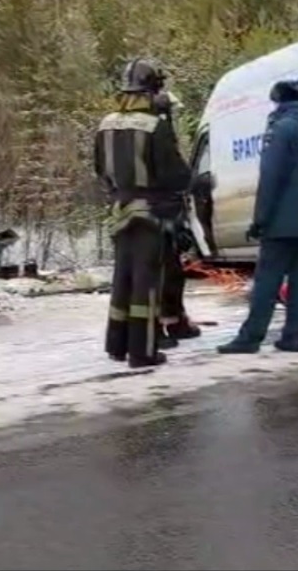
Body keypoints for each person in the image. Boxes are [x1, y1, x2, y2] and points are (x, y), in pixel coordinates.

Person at [217, 80, 298, 354]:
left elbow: (271, 179)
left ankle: (250, 338)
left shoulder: (281, 130)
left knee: (267, 283)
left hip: (280, 223)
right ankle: (293, 337)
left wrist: (260, 220)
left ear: (280, 101)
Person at [94, 58, 192, 368]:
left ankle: (117, 345)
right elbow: (173, 173)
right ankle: (143, 351)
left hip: (120, 209)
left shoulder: (106, 124)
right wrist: (195, 183)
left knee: (122, 279)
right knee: (146, 283)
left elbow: (99, 169)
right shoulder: (154, 126)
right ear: (151, 91)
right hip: (151, 214)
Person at [152, 89, 202, 346]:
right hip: (160, 212)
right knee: (164, 272)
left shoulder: (153, 133)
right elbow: (175, 171)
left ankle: (173, 319)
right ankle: (160, 325)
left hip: (162, 210)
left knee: (172, 271)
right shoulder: (157, 134)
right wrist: (196, 183)